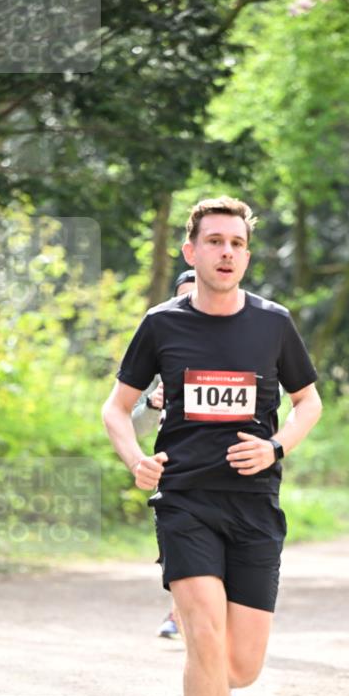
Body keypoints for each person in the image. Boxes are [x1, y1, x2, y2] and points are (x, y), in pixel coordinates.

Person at [102, 196, 322, 696]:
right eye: (215, 241)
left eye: (236, 243)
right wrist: (135, 459)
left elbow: (310, 403)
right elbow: (116, 408)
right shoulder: (162, 323)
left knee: (240, 667)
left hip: (255, 506)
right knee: (201, 632)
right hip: (184, 500)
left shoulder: (273, 323)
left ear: (246, 255)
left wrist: (276, 444)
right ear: (190, 251)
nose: (226, 253)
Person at [131, 269, 196, 640]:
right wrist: (155, 405)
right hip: (174, 471)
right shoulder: (159, 355)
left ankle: (192, 614)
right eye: (183, 298)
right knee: (181, 548)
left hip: (227, 472)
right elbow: (134, 425)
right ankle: (180, 611)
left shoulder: (233, 350)